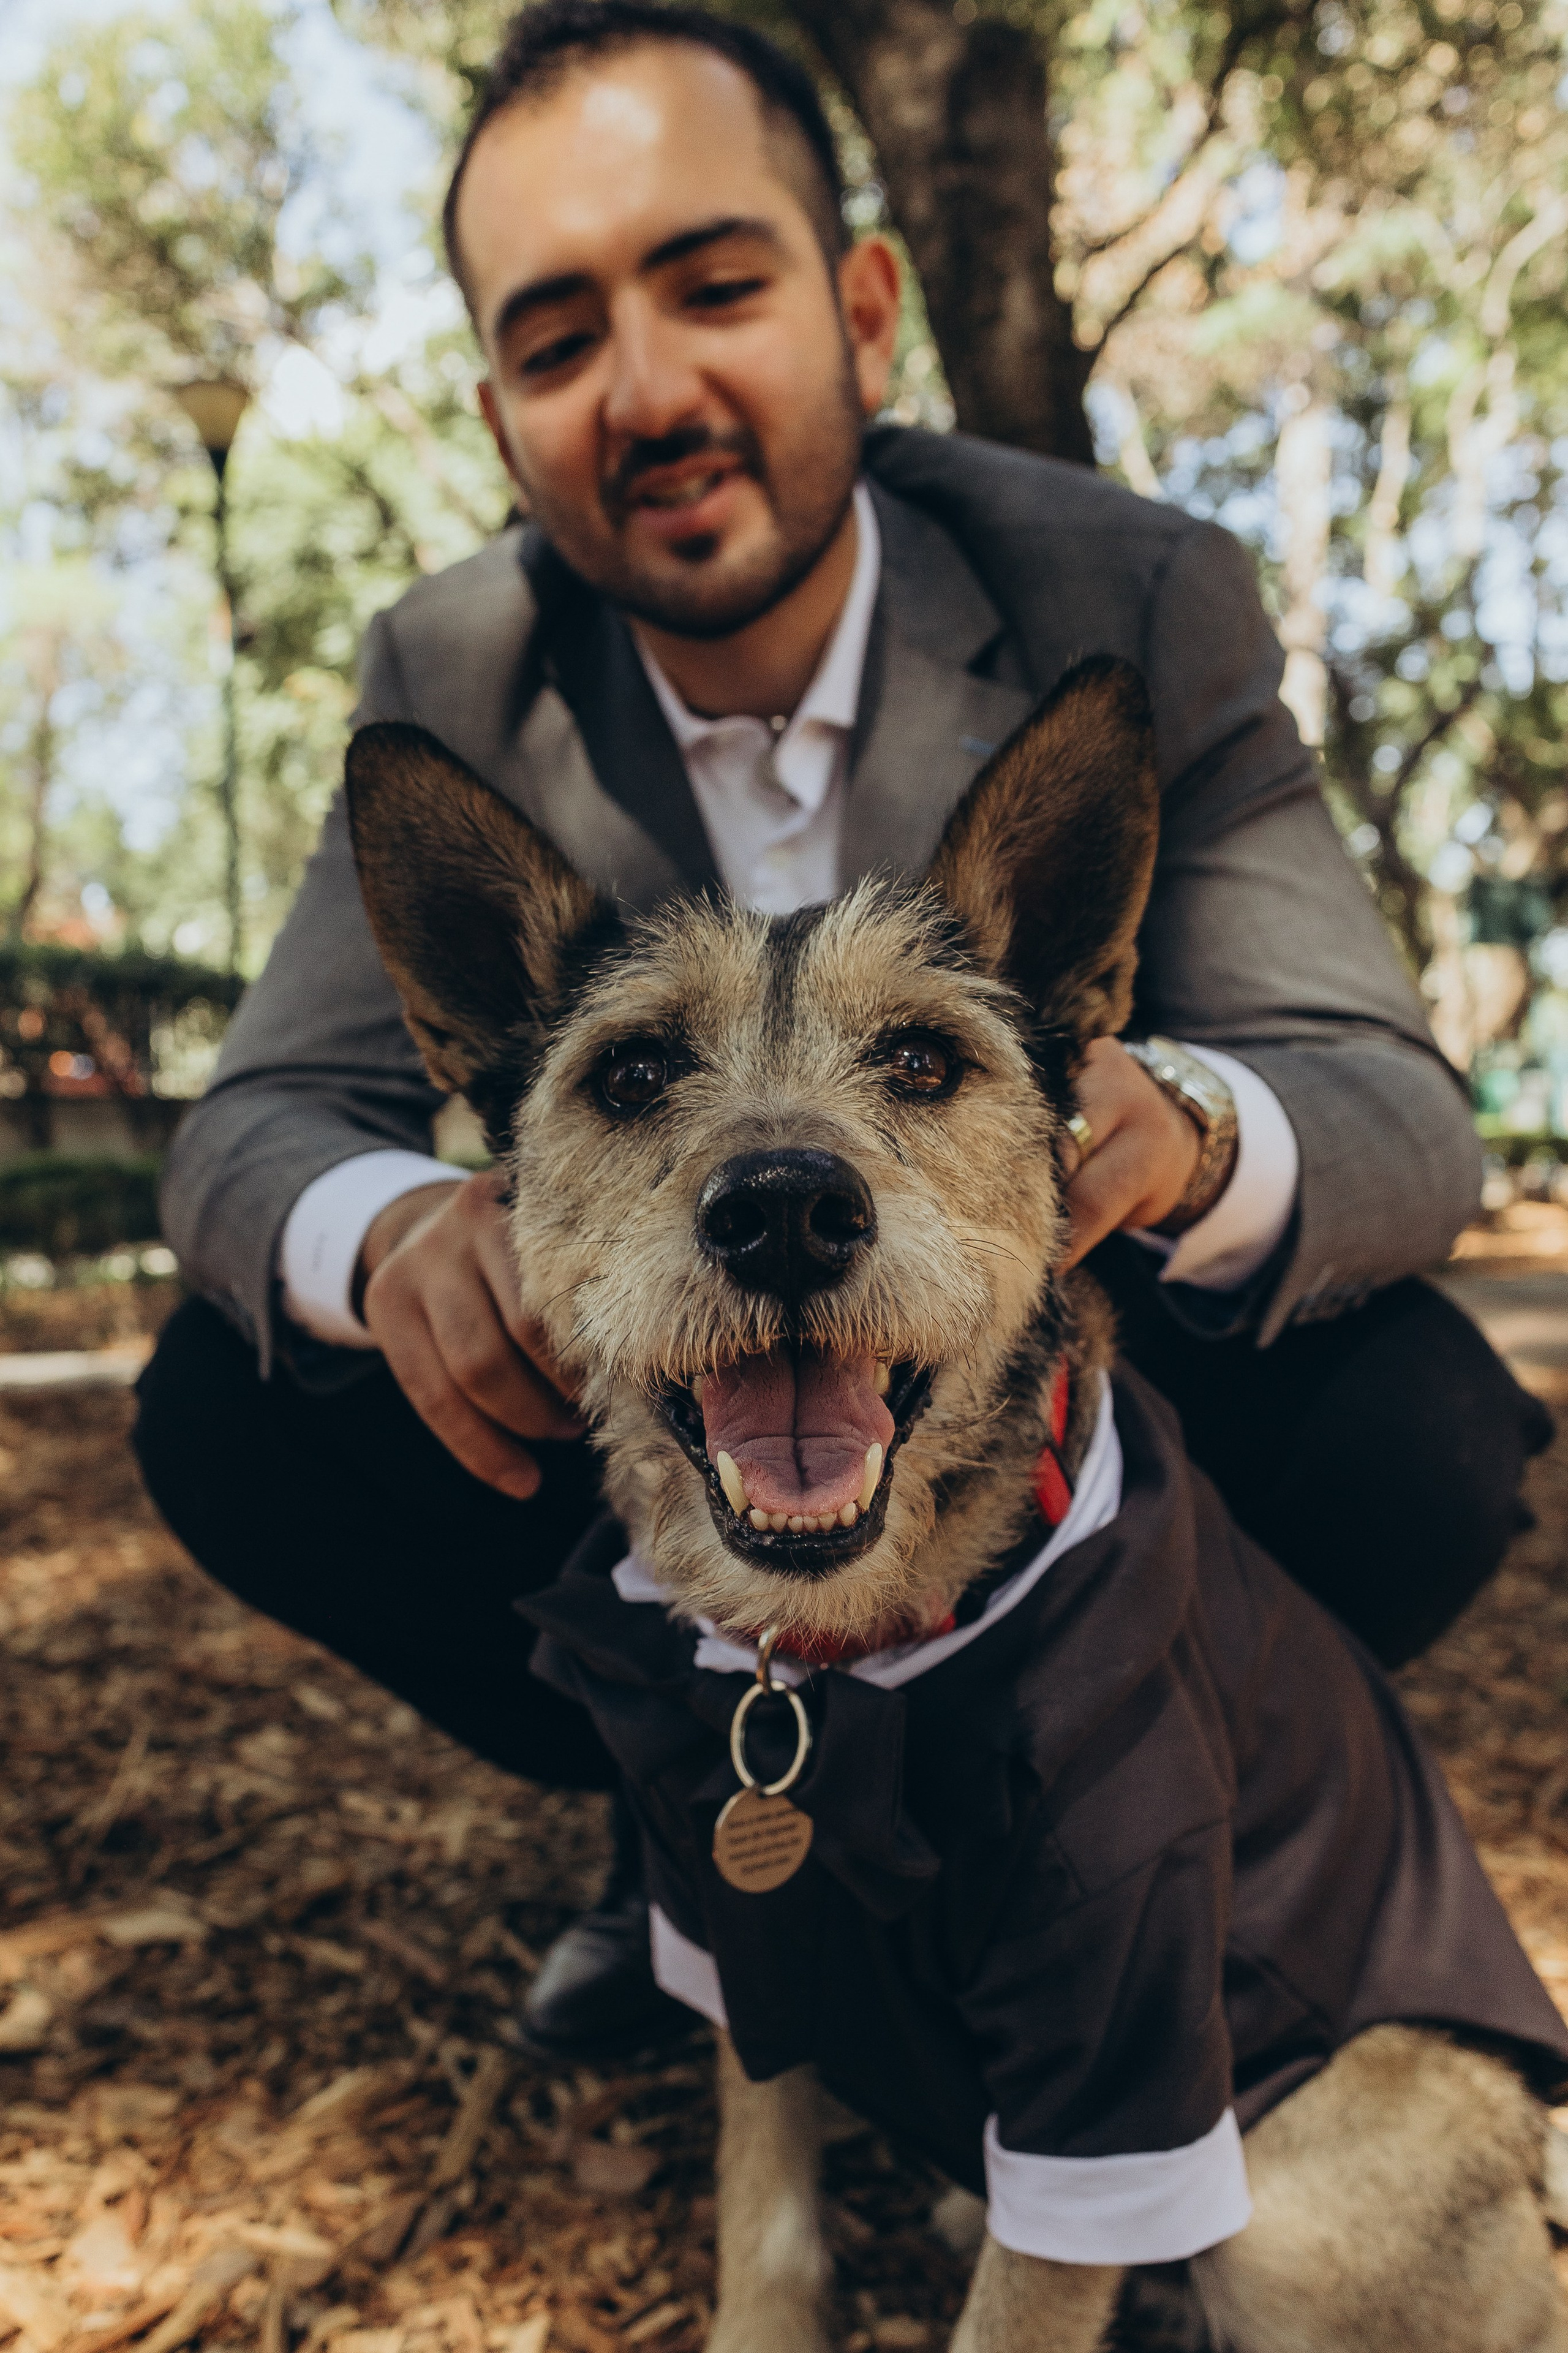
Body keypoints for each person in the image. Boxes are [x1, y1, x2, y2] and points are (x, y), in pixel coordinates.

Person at [134, 0, 1548, 2064]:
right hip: (671, 1396)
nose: (648, 387)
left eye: (717, 285)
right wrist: (395, 1239)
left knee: (1420, 1424)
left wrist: (1190, 1130)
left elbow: (1401, 1107)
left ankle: (1134, 1817)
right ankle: (692, 1807)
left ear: (865, 305)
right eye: (555, 340)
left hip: (1062, 1386)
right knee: (232, 1397)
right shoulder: (449, 662)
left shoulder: (1135, 591)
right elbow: (257, 1117)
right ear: (500, 415)